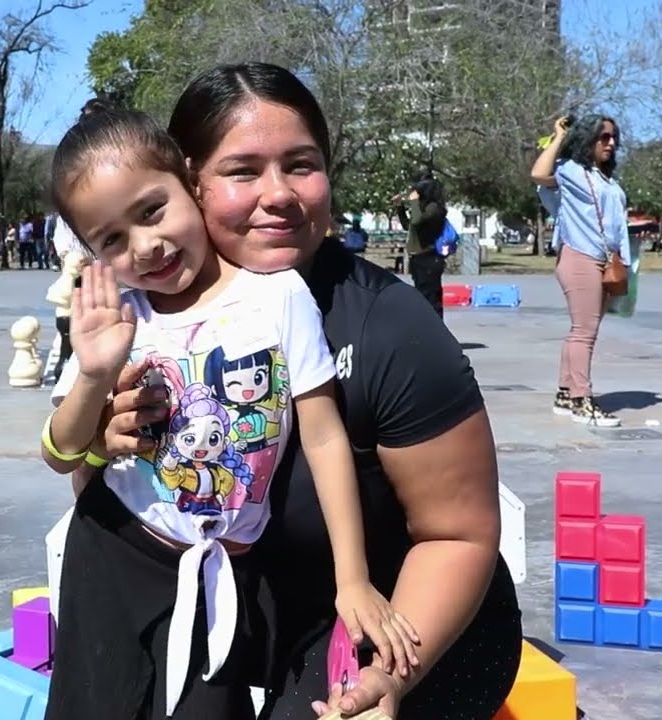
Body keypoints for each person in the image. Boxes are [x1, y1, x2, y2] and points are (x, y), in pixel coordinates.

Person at [88, 63, 518, 720]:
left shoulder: (391, 329)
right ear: (188, 181)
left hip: (403, 624)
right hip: (247, 616)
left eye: (301, 165)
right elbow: (105, 508)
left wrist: (389, 676)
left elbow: (457, 536)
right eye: (242, 171)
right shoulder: (137, 323)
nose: (280, 194)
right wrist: (98, 440)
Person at [41, 108, 419, 720]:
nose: (145, 246)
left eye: (152, 210)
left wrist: (352, 578)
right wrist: (92, 375)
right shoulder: (117, 318)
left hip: (225, 573)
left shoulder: (277, 295)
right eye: (111, 239)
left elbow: (324, 437)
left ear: (190, 183)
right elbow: (60, 453)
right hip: (112, 557)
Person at [531, 114, 630, 428]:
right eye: (603, 137)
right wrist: (559, 136)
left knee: (581, 330)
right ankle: (581, 401)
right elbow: (538, 174)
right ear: (588, 139)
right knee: (584, 332)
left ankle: (565, 393)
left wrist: (625, 261)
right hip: (580, 257)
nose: (610, 143)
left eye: (613, 138)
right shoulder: (571, 170)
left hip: (604, 260)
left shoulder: (605, 179)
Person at [396, 171, 448, 316]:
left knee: (430, 300)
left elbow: (417, 221)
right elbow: (408, 225)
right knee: (422, 298)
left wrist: (413, 202)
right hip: (418, 258)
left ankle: (435, 328)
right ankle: (426, 327)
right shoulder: (422, 209)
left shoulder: (434, 208)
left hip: (429, 258)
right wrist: (400, 207)